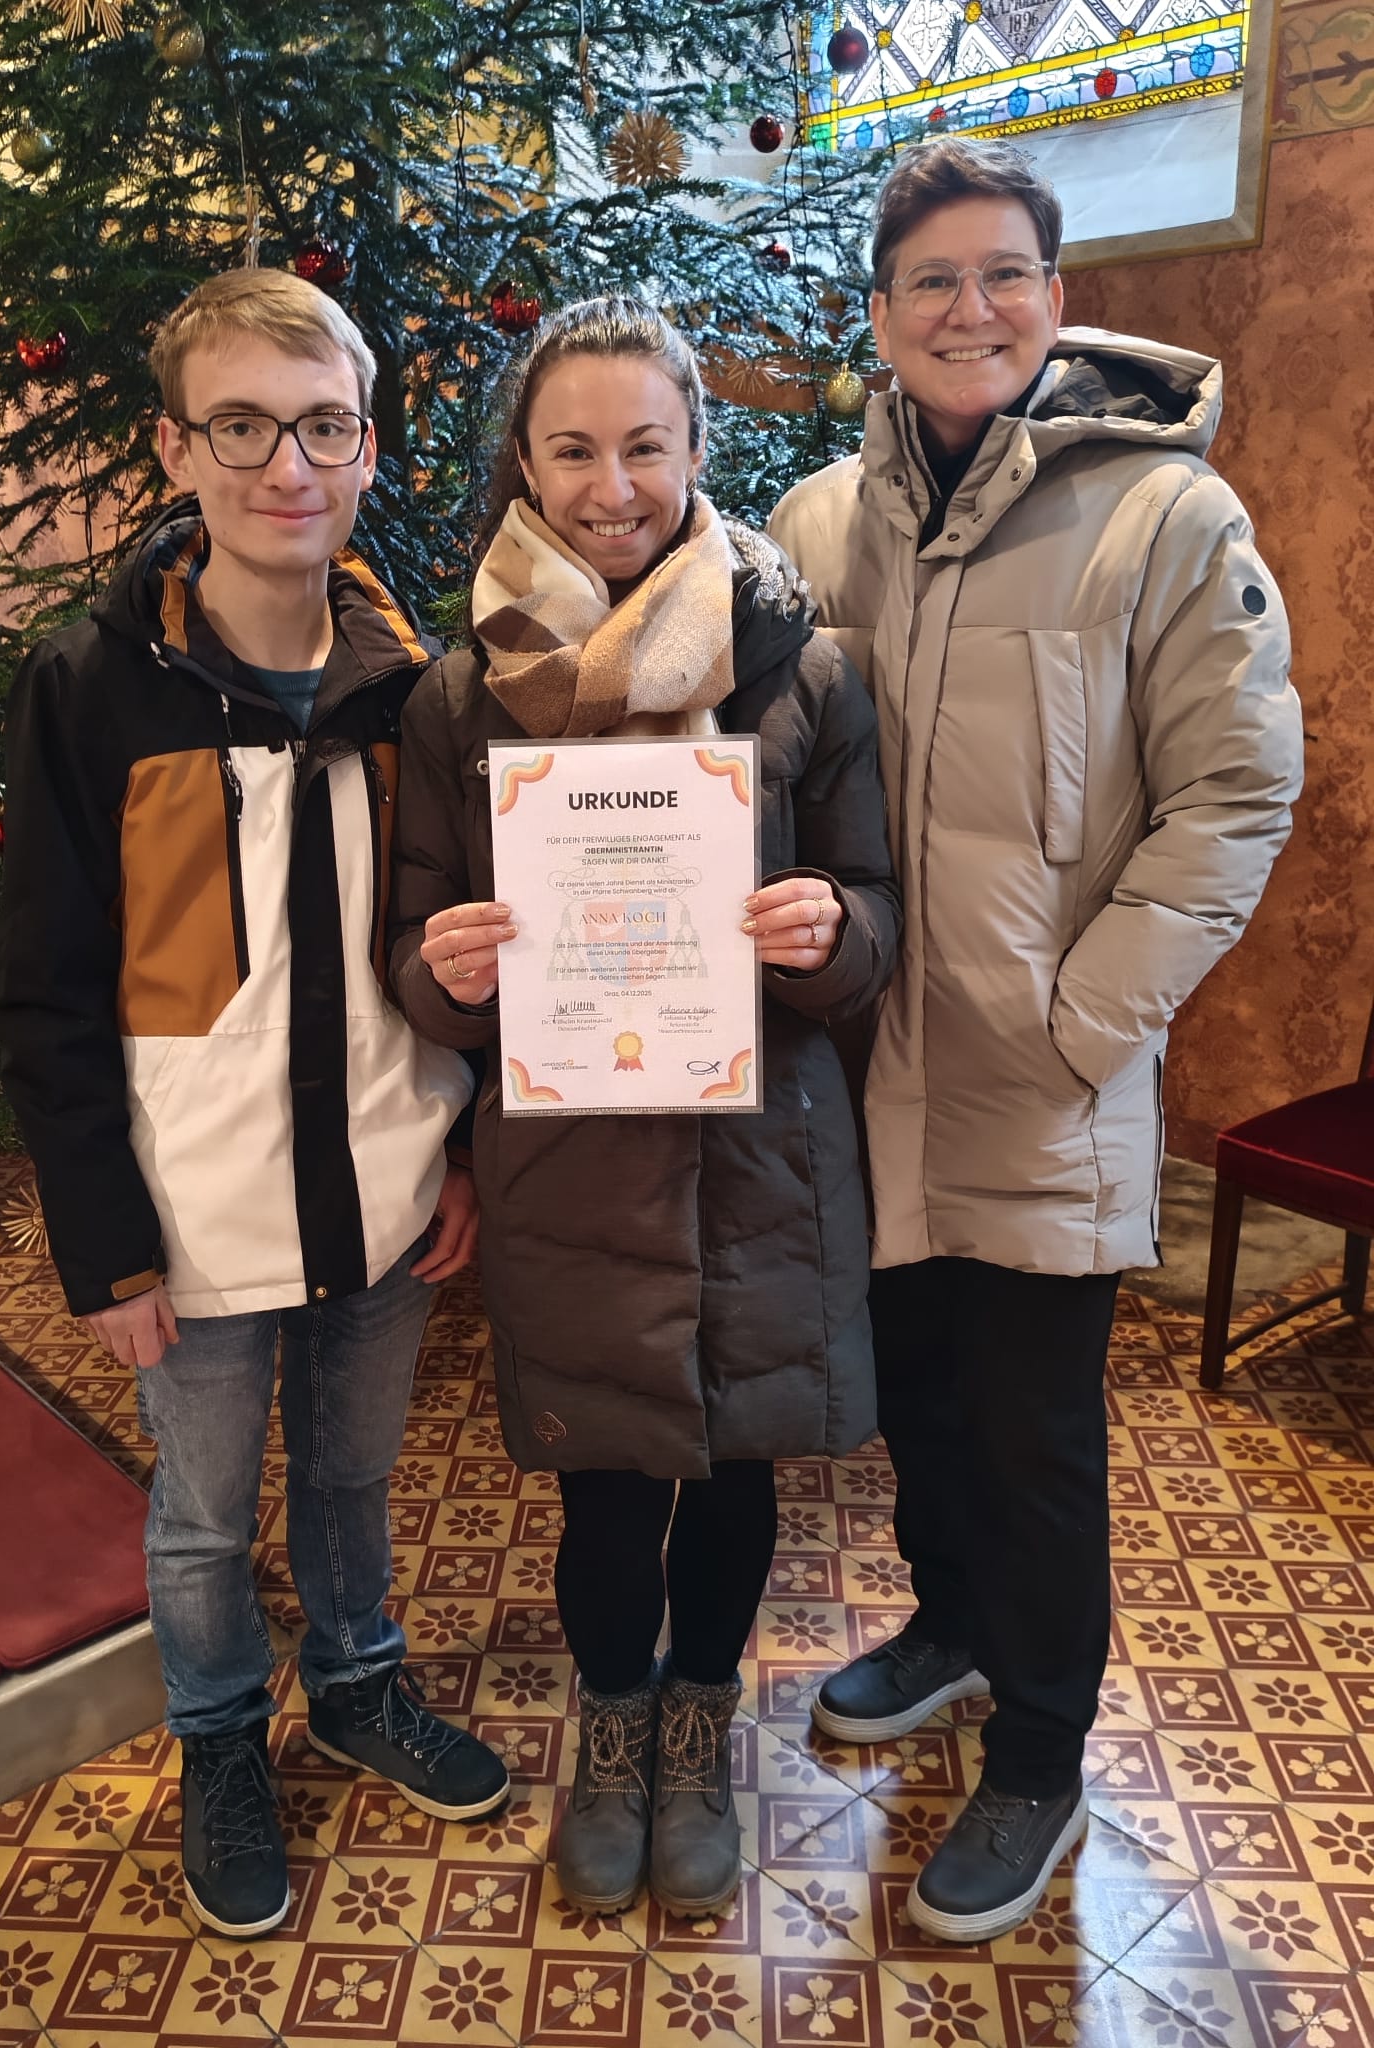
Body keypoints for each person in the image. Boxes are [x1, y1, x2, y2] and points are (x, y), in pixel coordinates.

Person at [769, 137, 1303, 1942]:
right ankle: (952, 1627)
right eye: (931, 278)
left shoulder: (1167, 518)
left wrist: (1091, 1025)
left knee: (1036, 1437)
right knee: (916, 1402)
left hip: (1045, 1079)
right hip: (867, 1071)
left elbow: (1235, 794)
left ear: (1057, 300)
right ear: (881, 313)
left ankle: (1042, 1755)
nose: (969, 307)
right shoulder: (812, 527)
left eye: (1004, 272)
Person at [0, 268, 509, 1942]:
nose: (287, 466)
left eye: (323, 427)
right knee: (206, 1515)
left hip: (383, 1179)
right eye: (241, 427)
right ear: (175, 448)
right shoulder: (94, 688)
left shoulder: (419, 690)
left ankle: (358, 1681)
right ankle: (221, 1734)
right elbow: (51, 988)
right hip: (190, 1208)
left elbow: (456, 949)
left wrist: (462, 1152)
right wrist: (102, 1240)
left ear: (368, 449)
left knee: (354, 1476)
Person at [388, 295, 899, 1918]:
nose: (612, 487)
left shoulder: (805, 671)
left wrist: (830, 930)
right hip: (570, 1159)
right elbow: (412, 943)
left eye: (645, 446)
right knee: (605, 1482)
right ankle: (614, 1729)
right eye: (574, 450)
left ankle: (699, 1725)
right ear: (524, 466)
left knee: (738, 1470)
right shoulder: (460, 696)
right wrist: (445, 969)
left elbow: (877, 918)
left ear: (696, 448)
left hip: (762, 1153)